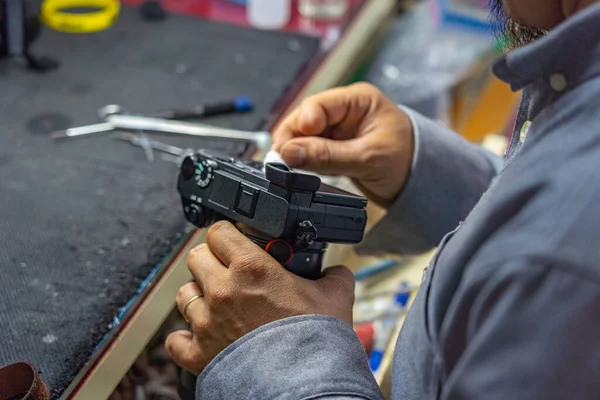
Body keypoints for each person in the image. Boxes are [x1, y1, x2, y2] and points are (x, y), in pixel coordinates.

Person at [166, 0, 600, 398]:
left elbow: (554, 236)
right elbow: (539, 213)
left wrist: (272, 353)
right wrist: (430, 172)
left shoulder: (566, 266)